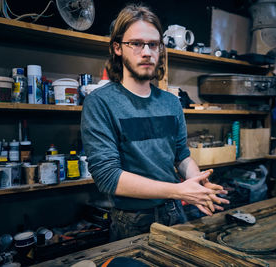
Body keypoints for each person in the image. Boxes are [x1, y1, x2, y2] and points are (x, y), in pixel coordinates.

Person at [81, 3, 229, 241]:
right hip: (132, 220)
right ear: (117, 47)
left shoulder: (171, 102)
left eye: (153, 44)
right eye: (137, 43)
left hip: (175, 213)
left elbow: (182, 156)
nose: (147, 52)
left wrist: (197, 184)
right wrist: (180, 190)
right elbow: (108, 177)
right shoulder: (100, 103)